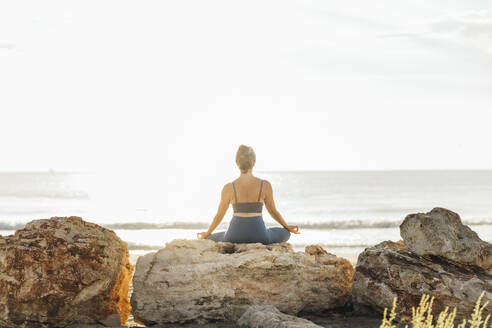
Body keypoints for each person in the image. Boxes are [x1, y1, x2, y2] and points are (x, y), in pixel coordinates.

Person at [197, 145, 300, 244]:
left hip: (234, 235)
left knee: (211, 237)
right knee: (286, 233)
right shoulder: (265, 185)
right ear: (254, 161)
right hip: (259, 235)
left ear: (237, 162)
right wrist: (287, 227)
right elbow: (273, 211)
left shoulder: (228, 187)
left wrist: (207, 233)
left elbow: (219, 215)